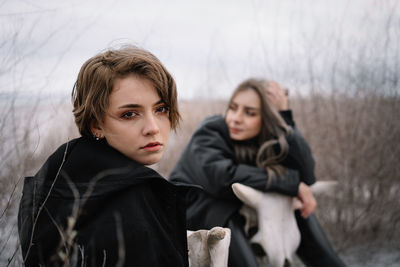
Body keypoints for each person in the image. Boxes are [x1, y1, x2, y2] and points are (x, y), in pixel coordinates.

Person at [18, 46, 189, 267]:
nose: (152, 128)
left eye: (161, 109)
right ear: (96, 124)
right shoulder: (130, 200)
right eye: (129, 114)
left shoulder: (59, 177)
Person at [169, 78, 346, 267]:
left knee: (298, 210)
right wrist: (292, 184)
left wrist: (284, 117)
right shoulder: (212, 130)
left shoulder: (263, 140)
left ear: (266, 118)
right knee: (223, 209)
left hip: (235, 210)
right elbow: (222, 177)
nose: (236, 118)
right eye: (233, 108)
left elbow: (306, 175)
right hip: (194, 210)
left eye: (250, 113)